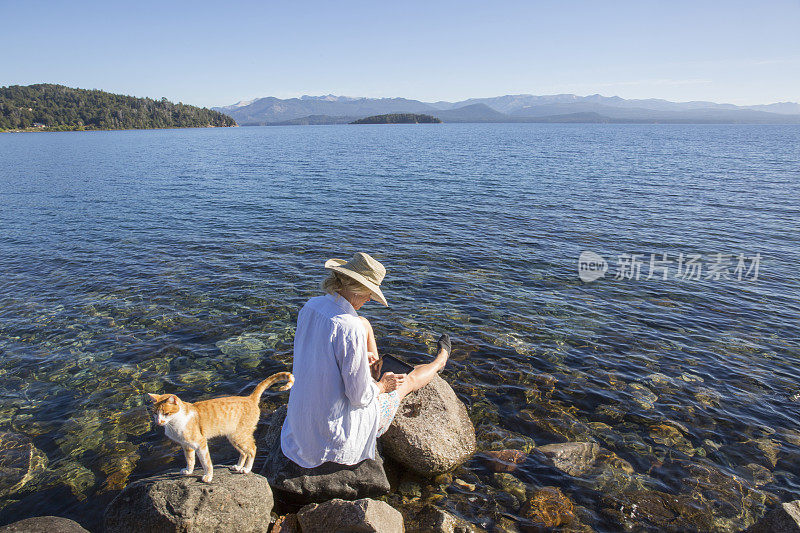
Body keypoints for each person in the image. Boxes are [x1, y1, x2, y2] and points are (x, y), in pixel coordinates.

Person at [280, 252, 450, 468]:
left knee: (365, 324)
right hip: (330, 435)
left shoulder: (311, 306)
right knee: (405, 381)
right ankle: (439, 362)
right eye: (369, 292)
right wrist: (381, 386)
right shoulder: (349, 328)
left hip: (301, 423)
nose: (370, 298)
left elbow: (322, 355)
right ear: (357, 288)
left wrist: (358, 359)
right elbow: (359, 397)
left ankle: (378, 369)